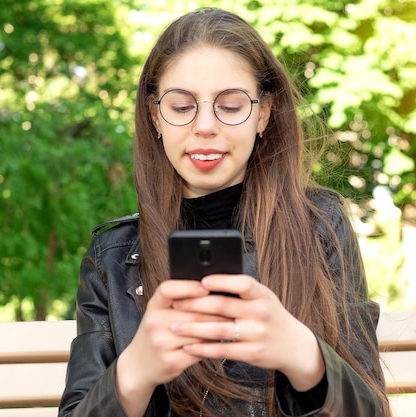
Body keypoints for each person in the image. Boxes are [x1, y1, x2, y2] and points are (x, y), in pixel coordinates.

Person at [58, 7, 391, 417]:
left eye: (230, 106)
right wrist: (135, 371)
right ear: (154, 116)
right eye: (181, 107)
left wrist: (304, 355)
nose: (205, 126)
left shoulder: (321, 226)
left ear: (263, 114)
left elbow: (371, 409)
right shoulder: (112, 259)